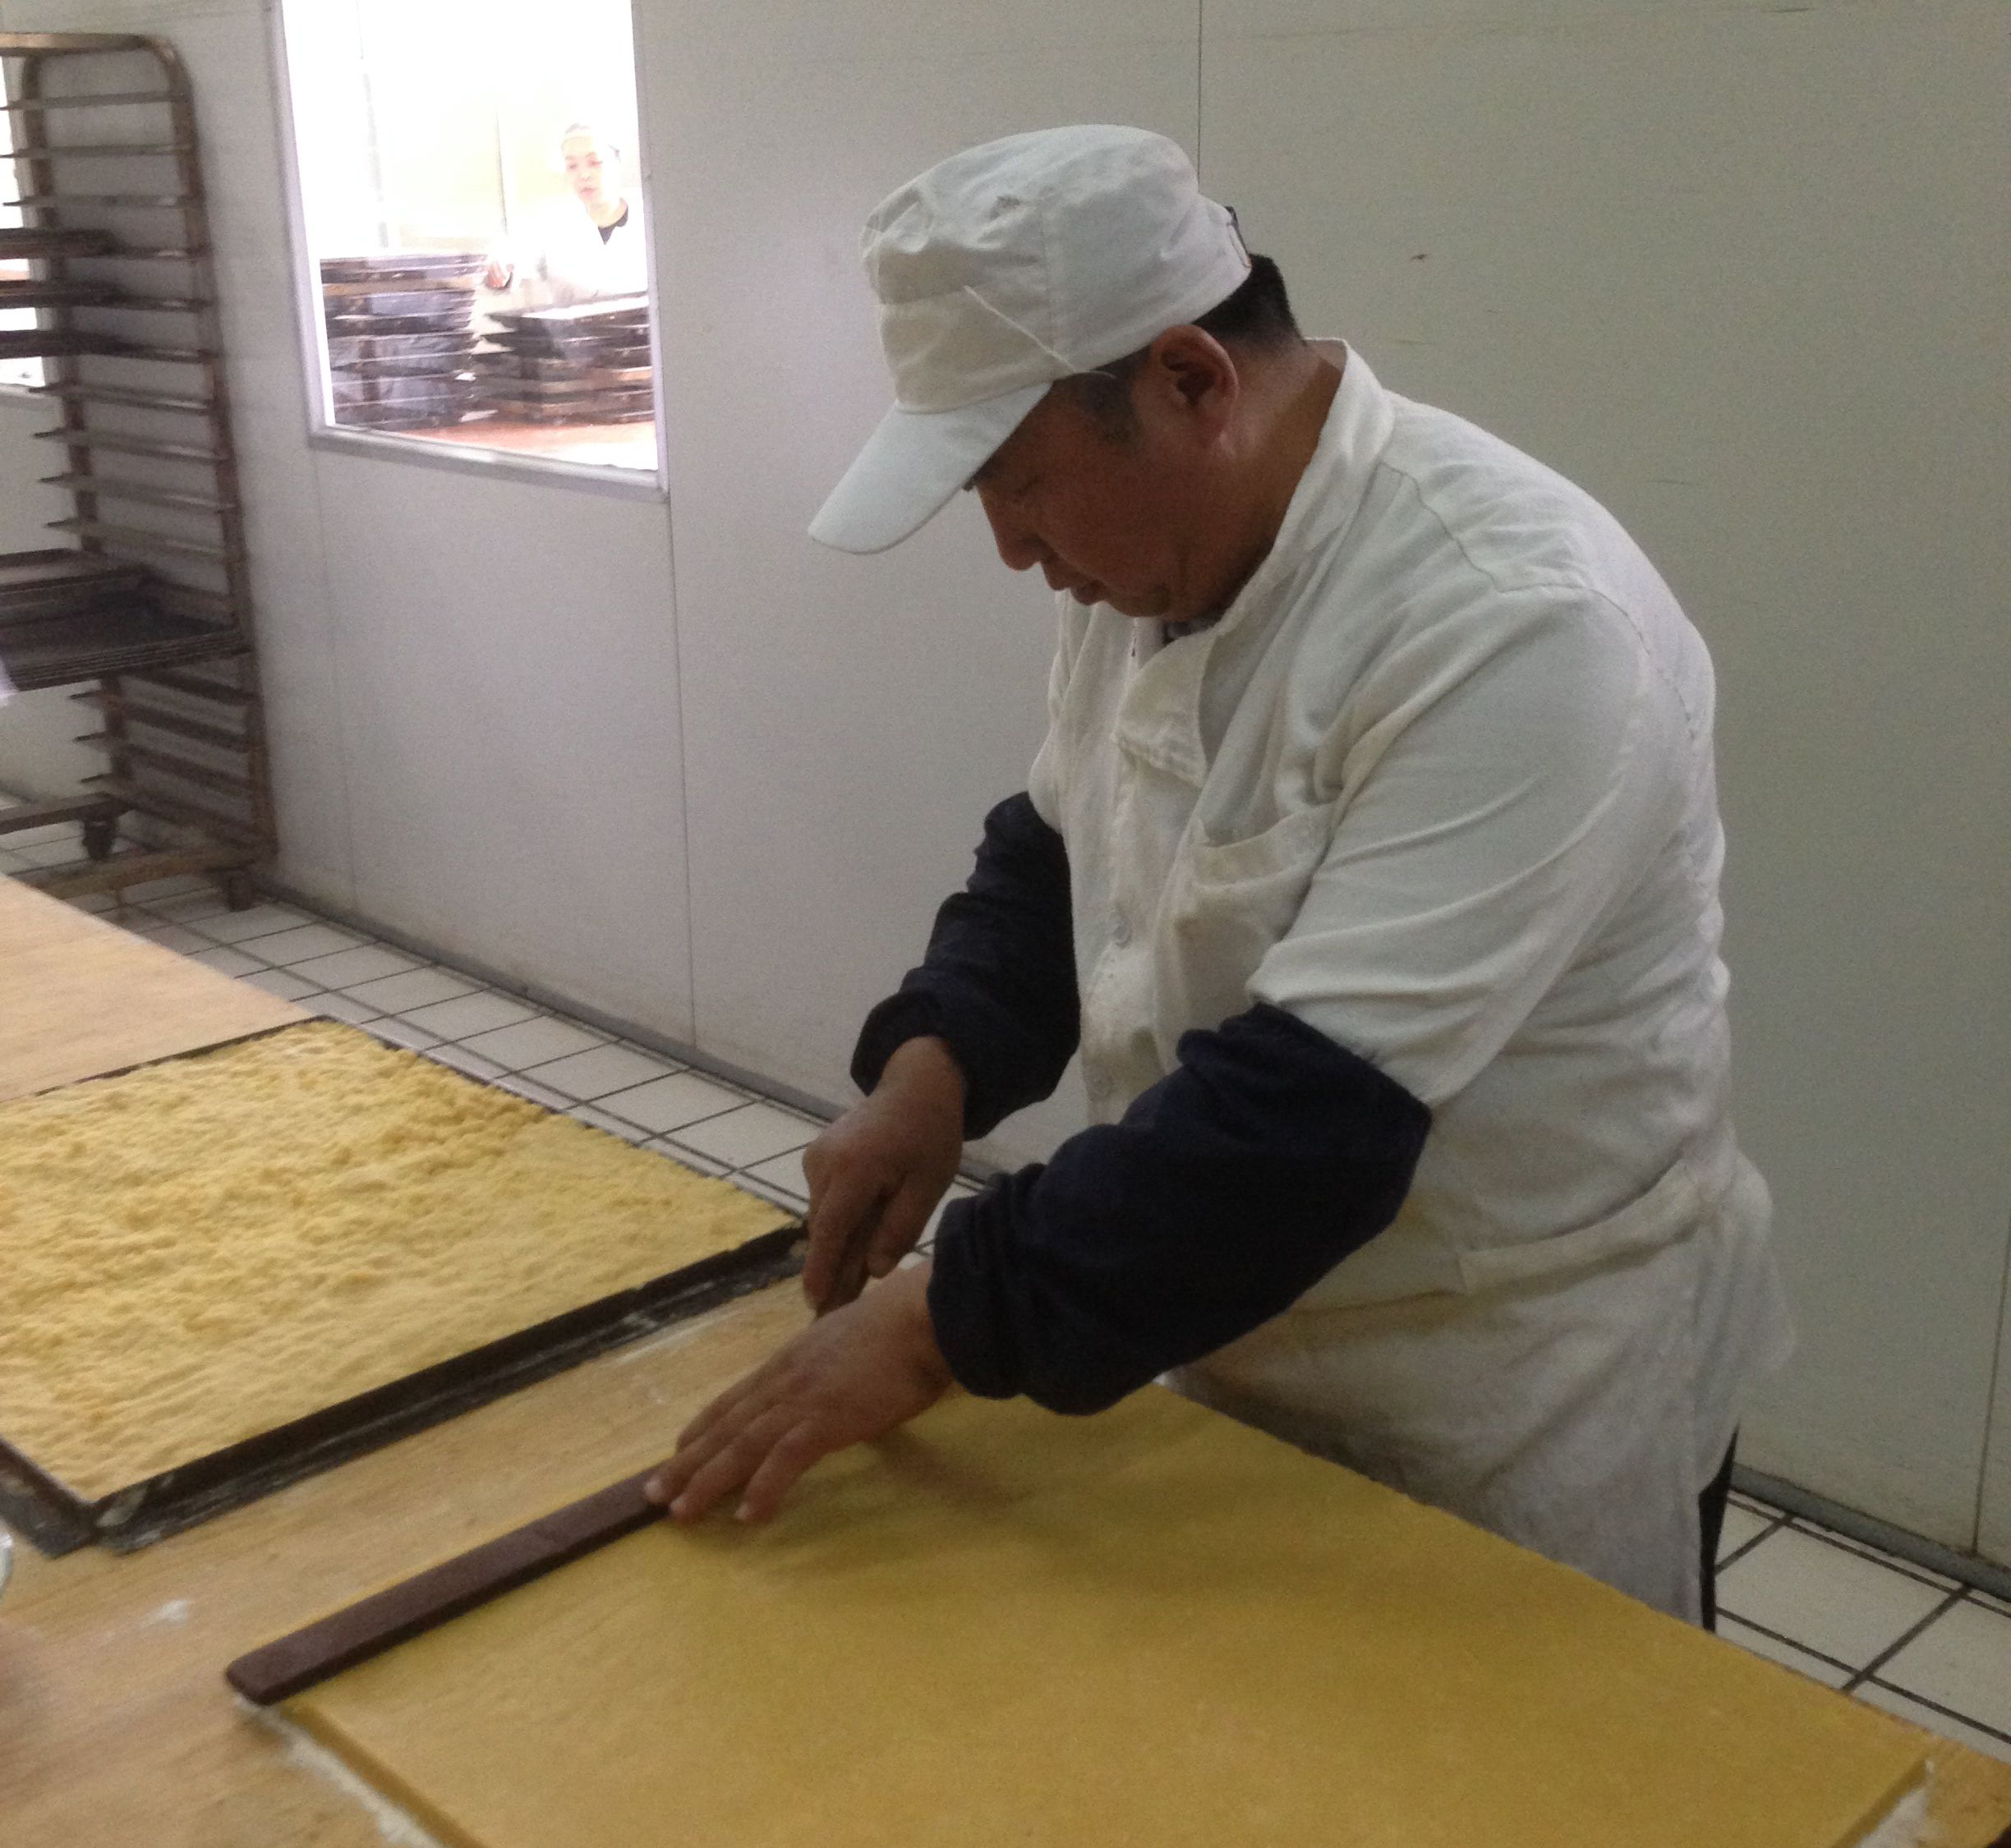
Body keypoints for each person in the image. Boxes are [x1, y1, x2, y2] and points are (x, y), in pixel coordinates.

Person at [644, 125, 1792, 1625]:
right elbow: (1060, 843)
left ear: (1190, 381)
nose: (1010, 551)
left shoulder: (1517, 623)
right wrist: (934, 1069)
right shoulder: (1159, 556)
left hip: (1501, 1369)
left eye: (1019, 485)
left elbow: (1305, 1125)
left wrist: (938, 1324)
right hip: (1233, 1308)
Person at [482, 121, 647, 307]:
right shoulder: (554, 224)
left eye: (595, 162)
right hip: (573, 326)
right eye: (572, 166)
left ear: (618, 163)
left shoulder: (649, 218)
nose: (584, 175)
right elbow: (515, 256)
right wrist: (501, 269)